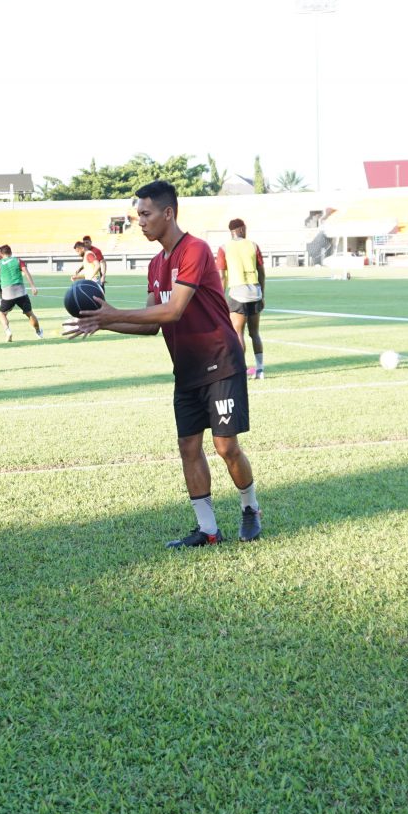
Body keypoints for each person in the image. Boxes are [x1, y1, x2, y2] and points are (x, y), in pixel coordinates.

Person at [68, 180, 262, 548]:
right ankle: (207, 530)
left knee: (225, 447)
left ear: (168, 213)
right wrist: (102, 321)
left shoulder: (196, 250)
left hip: (220, 361)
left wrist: (113, 313)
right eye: (137, 215)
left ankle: (250, 507)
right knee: (188, 447)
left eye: (145, 214)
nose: (139, 222)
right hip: (186, 368)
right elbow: (152, 324)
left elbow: (173, 310)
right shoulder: (156, 264)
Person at [216, 218, 268, 380]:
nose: (245, 231)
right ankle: (260, 370)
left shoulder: (224, 248)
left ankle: (240, 370)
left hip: (237, 293)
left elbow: (222, 277)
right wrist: (262, 294)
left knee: (238, 333)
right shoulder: (253, 246)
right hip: (255, 292)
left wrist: (220, 297)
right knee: (255, 333)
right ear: (238, 230)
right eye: (244, 228)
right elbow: (262, 273)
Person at [0, 244, 43, 341]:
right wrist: (33, 286)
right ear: (11, 252)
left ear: (1, 254)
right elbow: (26, 273)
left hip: (7, 294)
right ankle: (38, 331)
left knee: (2, 313)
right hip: (21, 292)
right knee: (30, 313)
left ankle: (8, 331)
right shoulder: (18, 260)